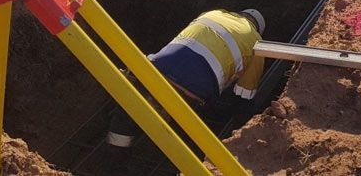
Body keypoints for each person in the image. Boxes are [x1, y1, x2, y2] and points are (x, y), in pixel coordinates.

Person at [106, 8, 266, 156]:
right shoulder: (256, 40)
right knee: (178, 134)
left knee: (128, 114)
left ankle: (114, 159)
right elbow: (244, 94)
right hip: (194, 90)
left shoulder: (213, 13)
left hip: (154, 70)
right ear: (257, 28)